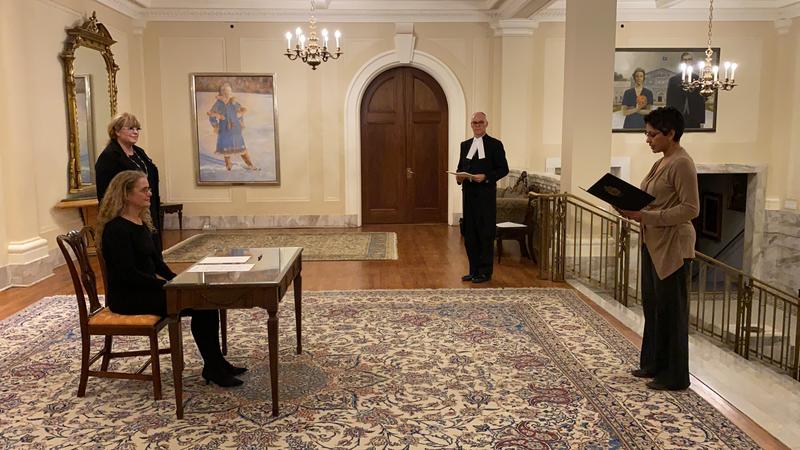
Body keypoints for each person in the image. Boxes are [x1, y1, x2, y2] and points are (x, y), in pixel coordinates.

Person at [96, 170, 247, 387]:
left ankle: (216, 364)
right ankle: (213, 367)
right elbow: (128, 274)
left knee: (206, 301)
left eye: (148, 188)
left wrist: (178, 280)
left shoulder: (140, 222)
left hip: (146, 288)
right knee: (200, 306)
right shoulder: (116, 229)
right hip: (129, 297)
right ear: (126, 195)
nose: (150, 193)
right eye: (144, 190)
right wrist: (169, 286)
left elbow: (157, 263)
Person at [619, 107, 699, 391]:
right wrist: (628, 206)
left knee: (671, 311)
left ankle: (673, 375)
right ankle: (653, 363)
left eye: (652, 134)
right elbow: (654, 200)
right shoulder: (663, 161)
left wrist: (645, 216)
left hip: (673, 247)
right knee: (653, 307)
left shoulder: (682, 163)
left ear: (670, 133)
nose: (648, 139)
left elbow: (691, 208)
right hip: (653, 242)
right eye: (646, 134)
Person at [95, 113, 164, 252]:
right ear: (117, 131)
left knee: (153, 251)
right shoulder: (110, 157)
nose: (135, 132)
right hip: (126, 214)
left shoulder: (139, 152)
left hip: (147, 208)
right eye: (130, 128)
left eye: (137, 129)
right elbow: (107, 192)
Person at [456, 112, 509, 284]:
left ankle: (485, 272)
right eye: (474, 122)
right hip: (469, 195)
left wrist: (486, 176)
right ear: (471, 125)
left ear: (486, 124)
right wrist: (459, 177)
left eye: (480, 122)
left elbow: (503, 169)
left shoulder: (495, 145)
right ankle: (473, 270)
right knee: (470, 233)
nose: (477, 125)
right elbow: (460, 167)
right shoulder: (465, 145)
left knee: (485, 233)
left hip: (485, 196)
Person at [207, 82, 258, 171]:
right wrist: (216, 125)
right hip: (224, 129)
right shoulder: (218, 104)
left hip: (235, 129)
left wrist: (241, 122)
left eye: (229, 91)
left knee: (242, 148)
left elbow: (240, 113)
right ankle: (228, 164)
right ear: (222, 92)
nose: (228, 93)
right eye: (226, 91)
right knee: (226, 148)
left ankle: (250, 164)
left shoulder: (233, 102)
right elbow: (211, 115)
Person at [666, 52, 706, 129]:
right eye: (685, 60)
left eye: (689, 59)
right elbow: (669, 100)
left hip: (694, 117)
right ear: (681, 62)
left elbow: (701, 101)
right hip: (677, 117)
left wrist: (702, 121)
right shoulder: (673, 80)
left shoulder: (698, 79)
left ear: (692, 62)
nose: (687, 62)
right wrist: (669, 119)